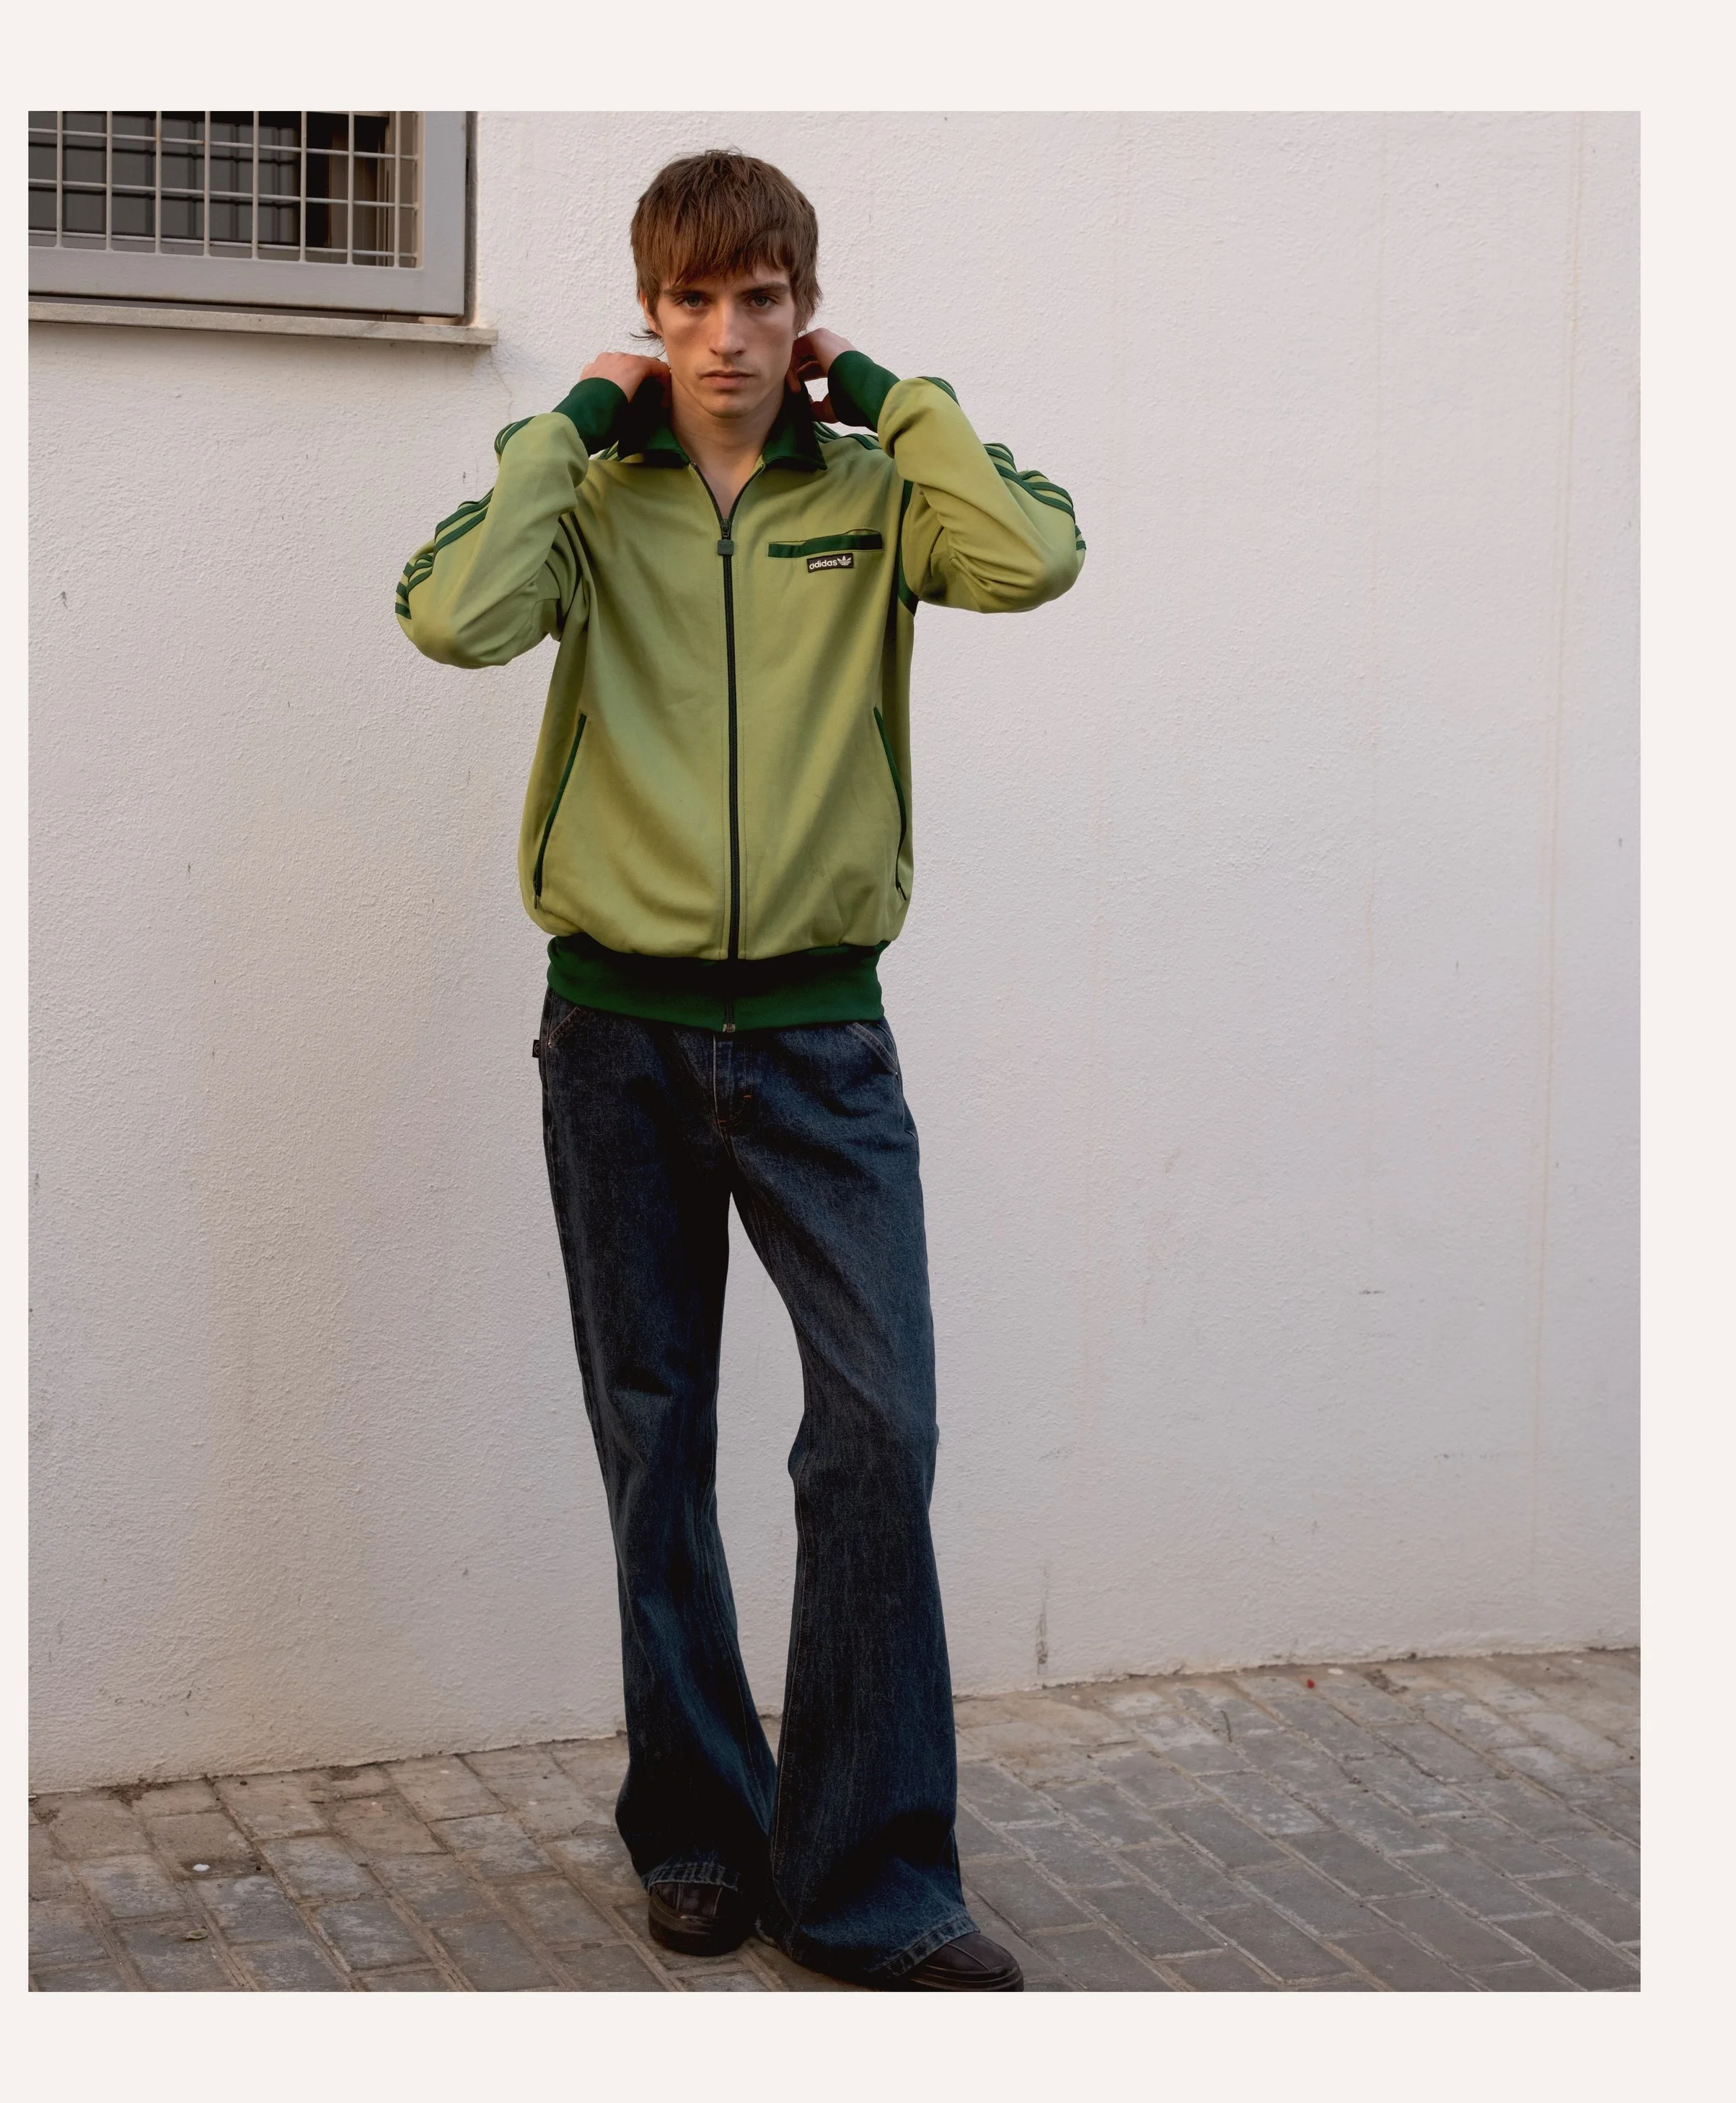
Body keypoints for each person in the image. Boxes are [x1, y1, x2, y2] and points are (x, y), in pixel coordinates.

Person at [396, 147, 1083, 1989]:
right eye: (690, 305)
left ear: (802, 311)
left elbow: (1035, 554)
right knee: (655, 1439)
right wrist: (560, 420)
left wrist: (888, 397)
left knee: (878, 1430)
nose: (725, 338)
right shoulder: (590, 501)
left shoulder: (869, 496)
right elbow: (451, 615)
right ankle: (697, 1833)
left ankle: (868, 1880)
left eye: (761, 302)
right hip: (610, 1035)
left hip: (815, 1042)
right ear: (652, 315)